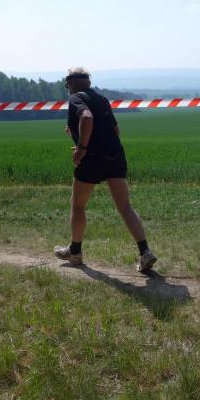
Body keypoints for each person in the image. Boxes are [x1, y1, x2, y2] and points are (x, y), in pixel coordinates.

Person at [53, 67, 157, 272]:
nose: (68, 88)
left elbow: (86, 118)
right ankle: (145, 252)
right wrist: (83, 138)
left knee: (78, 205)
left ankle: (75, 252)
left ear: (72, 83)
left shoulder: (76, 98)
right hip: (115, 155)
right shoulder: (102, 99)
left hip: (92, 159)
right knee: (125, 206)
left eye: (67, 85)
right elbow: (115, 130)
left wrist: (83, 148)